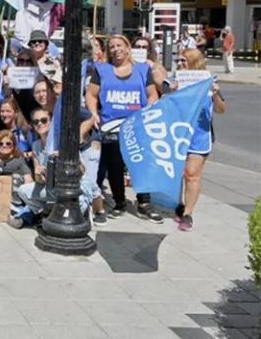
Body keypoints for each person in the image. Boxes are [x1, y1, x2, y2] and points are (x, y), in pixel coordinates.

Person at [85, 33, 162, 222]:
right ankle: (119, 202)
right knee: (115, 166)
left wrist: (147, 114)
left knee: (140, 166)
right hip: (110, 126)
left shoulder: (142, 69)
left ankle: (144, 203)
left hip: (136, 126)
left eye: (119, 45)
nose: (116, 49)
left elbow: (152, 95)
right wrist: (94, 114)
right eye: (112, 46)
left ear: (128, 48)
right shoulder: (102, 70)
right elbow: (91, 94)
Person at [173, 49, 225, 231]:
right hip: (177, 135)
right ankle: (179, 204)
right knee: (177, 174)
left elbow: (221, 109)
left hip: (200, 136)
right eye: (179, 60)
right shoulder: (175, 80)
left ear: (194, 62)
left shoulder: (209, 82)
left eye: (184, 60)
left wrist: (216, 94)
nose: (180, 63)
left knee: (191, 174)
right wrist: (170, 92)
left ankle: (188, 213)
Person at [0, 130, 33, 229]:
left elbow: (28, 178)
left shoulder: (19, 160)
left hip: (16, 198)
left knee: (16, 178)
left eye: (8, 143)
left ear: (13, 145)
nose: (4, 146)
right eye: (0, 143)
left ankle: (18, 215)